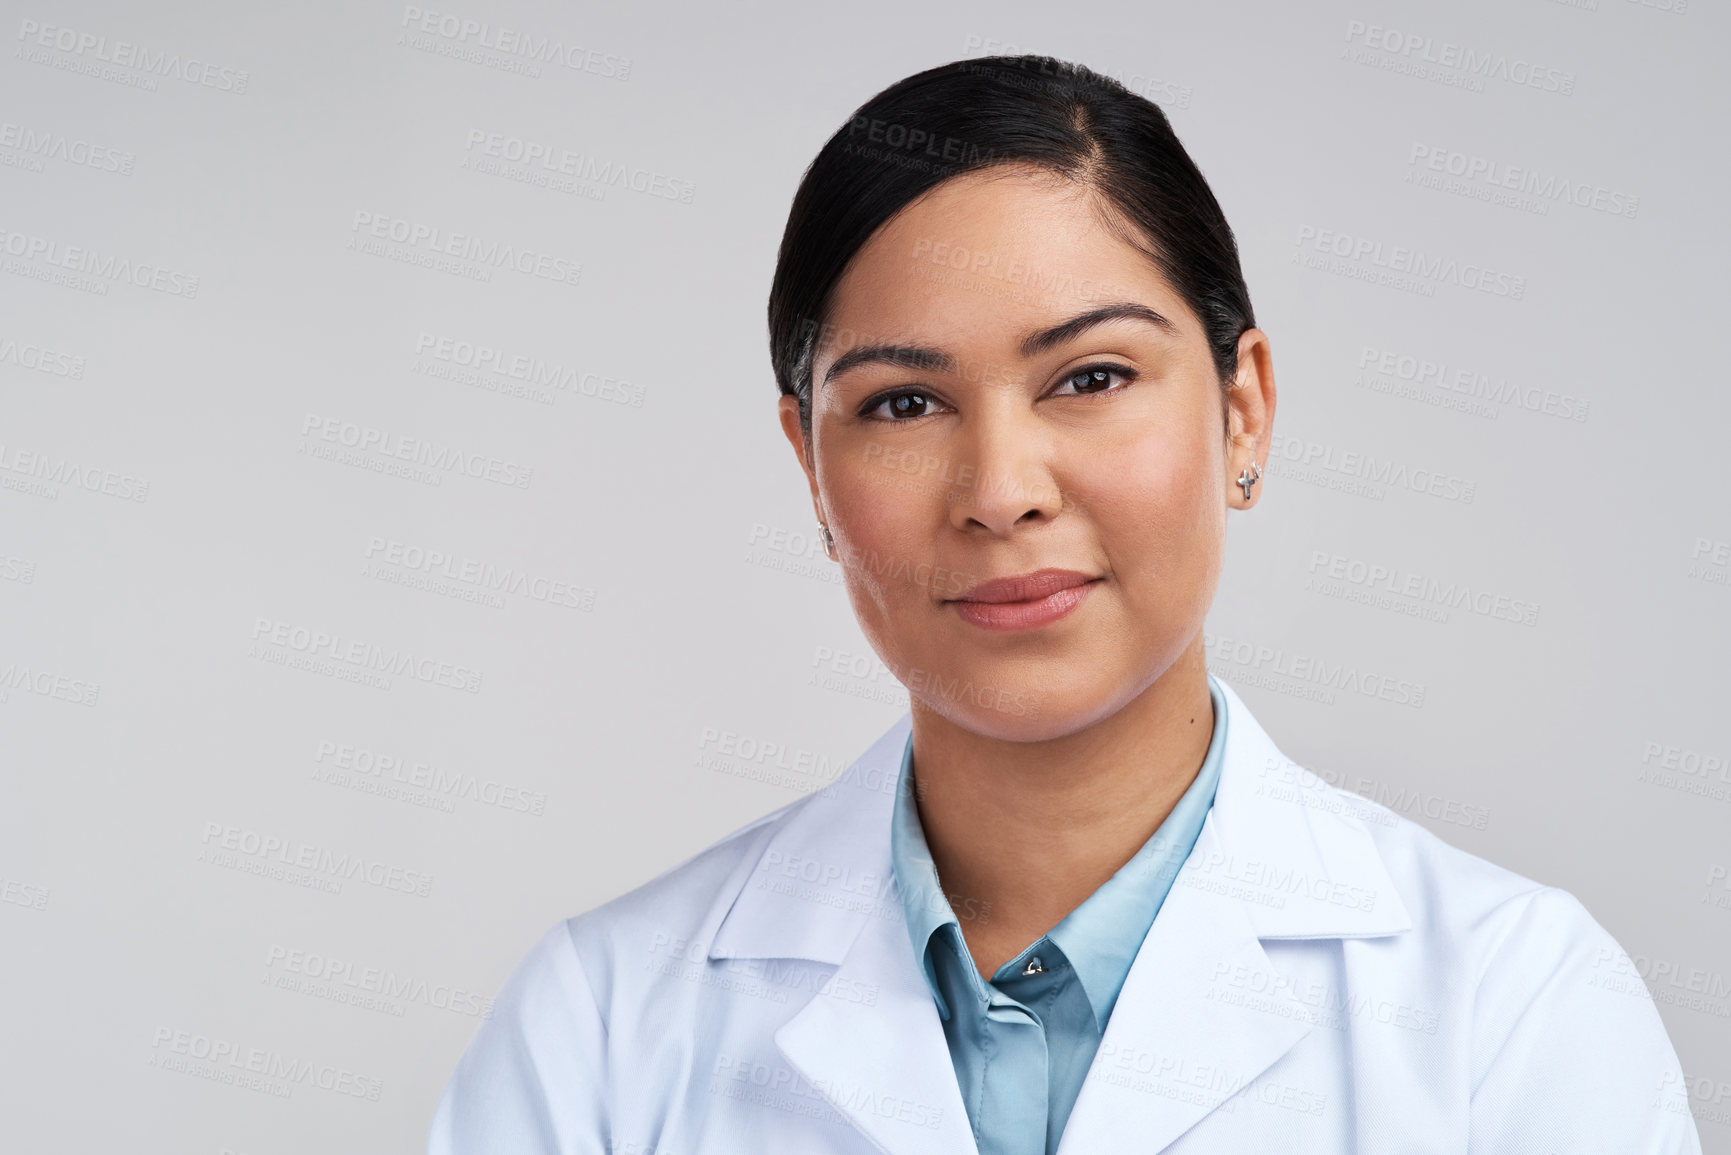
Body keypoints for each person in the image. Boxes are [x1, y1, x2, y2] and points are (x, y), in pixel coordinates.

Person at [427, 54, 1701, 1154]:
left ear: (1243, 408)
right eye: (902, 404)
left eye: (1090, 376)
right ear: (810, 465)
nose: (999, 490)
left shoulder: (1512, 1006)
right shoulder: (600, 1026)